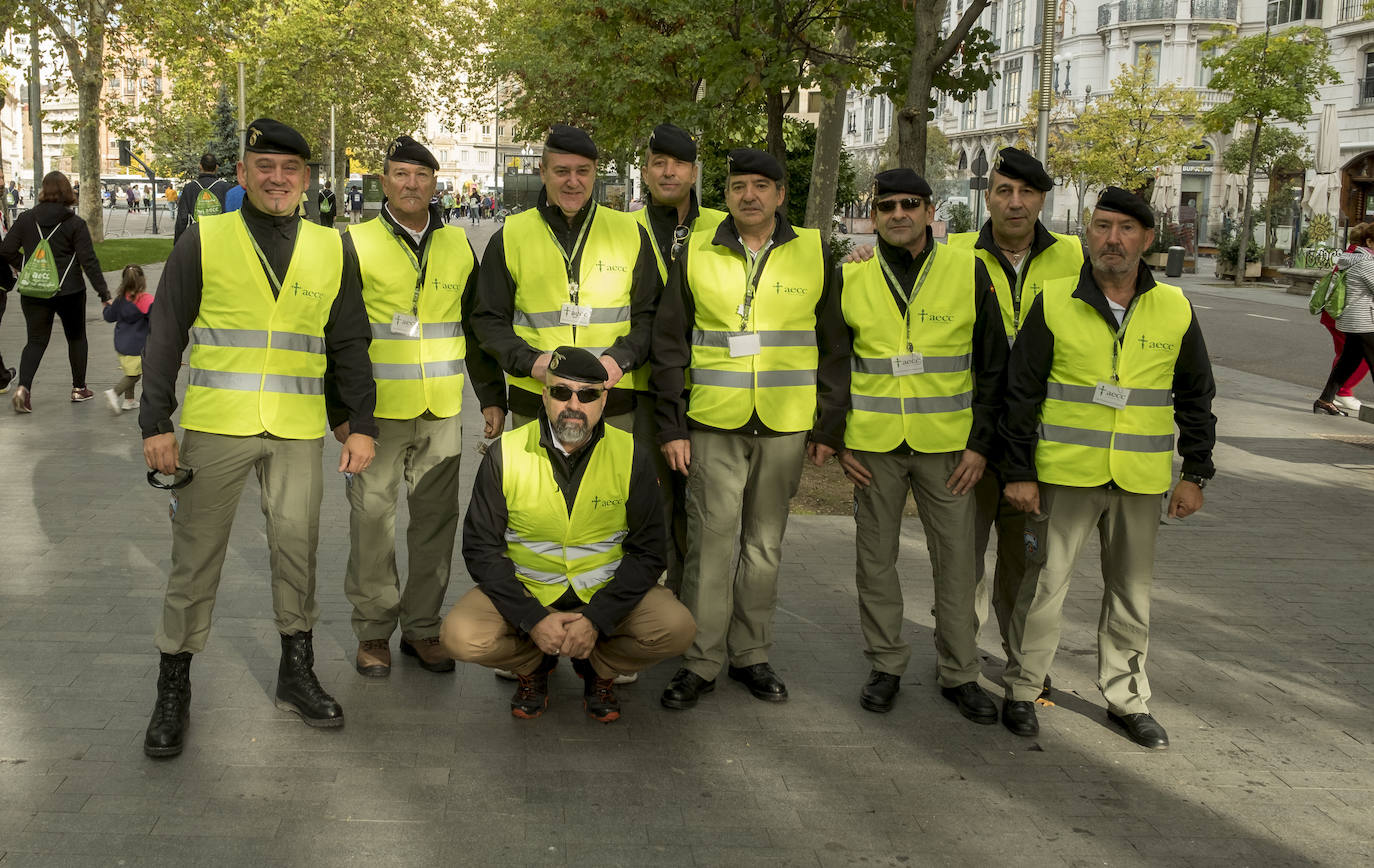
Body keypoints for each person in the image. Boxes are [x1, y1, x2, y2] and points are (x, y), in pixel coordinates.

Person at [138, 118, 378, 758]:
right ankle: (173, 685)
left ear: (307, 180)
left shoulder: (332, 247)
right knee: (195, 558)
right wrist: (155, 423)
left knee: (297, 552)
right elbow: (165, 331)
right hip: (215, 427)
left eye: (290, 169)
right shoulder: (205, 237)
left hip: (298, 430)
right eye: (264, 166)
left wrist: (360, 424)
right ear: (242, 174)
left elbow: (349, 341)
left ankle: (294, 670)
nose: (277, 178)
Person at [998, 187, 1216, 748]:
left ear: (1147, 239)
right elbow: (1020, 395)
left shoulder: (1175, 306)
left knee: (1130, 592)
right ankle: (1023, 690)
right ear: (1086, 235)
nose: (1111, 239)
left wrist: (1195, 472)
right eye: (1100, 226)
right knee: (1043, 587)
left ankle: (1127, 700)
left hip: (1140, 481)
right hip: (1063, 476)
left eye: (1124, 228)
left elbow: (1196, 396)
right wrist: (1018, 472)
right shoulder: (1053, 300)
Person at [652, 148, 846, 709]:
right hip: (713, 422)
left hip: (785, 425)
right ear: (726, 194)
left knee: (764, 546)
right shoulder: (697, 252)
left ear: (781, 195)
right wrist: (672, 427)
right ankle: (700, 660)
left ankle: (752, 655)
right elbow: (669, 345)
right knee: (711, 547)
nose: (750, 196)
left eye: (762, 185)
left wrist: (826, 427)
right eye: (738, 186)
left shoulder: (813, 252)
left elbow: (835, 345)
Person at [831, 169, 1009, 718]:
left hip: (950, 450)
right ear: (875, 216)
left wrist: (981, 444)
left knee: (957, 564)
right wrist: (838, 439)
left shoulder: (968, 269)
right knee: (875, 561)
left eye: (911, 204)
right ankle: (886, 665)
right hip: (874, 448)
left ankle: (960, 673)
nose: (899, 214)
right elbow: (835, 365)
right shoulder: (851, 275)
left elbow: (993, 366)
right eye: (887, 207)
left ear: (931, 211)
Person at [441, 346, 695, 722]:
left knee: (678, 628)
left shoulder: (632, 455)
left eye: (587, 394)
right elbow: (480, 549)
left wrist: (597, 619)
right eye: (561, 392)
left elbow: (648, 553)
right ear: (544, 395)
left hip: (604, 593)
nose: (573, 404)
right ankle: (534, 665)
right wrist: (532, 619)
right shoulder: (506, 453)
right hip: (529, 592)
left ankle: (599, 667)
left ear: (603, 400)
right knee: (458, 636)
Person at [340, 135, 506, 678]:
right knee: (372, 523)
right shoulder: (354, 244)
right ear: (383, 181)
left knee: (434, 525)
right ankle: (373, 632)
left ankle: (422, 628)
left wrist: (491, 398)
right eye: (401, 174)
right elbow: (335, 336)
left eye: (422, 176)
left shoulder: (458, 245)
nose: (412, 184)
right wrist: (341, 413)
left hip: (440, 412)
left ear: (436, 184)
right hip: (376, 416)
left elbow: (475, 331)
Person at [944, 147, 1085, 694]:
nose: (1015, 202)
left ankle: (1025, 665)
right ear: (988, 197)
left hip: (1039, 438)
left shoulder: (1075, 256)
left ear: (1042, 200)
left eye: (1026, 192)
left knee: (1028, 562)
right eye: (1004, 190)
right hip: (970, 435)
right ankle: (957, 658)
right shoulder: (956, 252)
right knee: (963, 561)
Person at [471, 124, 660, 434]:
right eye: (562, 171)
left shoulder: (630, 233)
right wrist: (530, 362)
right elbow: (488, 320)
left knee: (609, 483)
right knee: (533, 484)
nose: (573, 182)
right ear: (543, 172)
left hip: (611, 401)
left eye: (582, 171)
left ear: (595, 172)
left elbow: (651, 316)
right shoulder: (510, 236)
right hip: (535, 400)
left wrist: (621, 359)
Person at [633, 123, 727, 595]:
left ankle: (699, 608)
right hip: (646, 391)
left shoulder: (722, 227)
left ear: (694, 172)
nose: (669, 172)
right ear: (646, 171)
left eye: (679, 164)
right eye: (659, 163)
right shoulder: (626, 229)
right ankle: (657, 605)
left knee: (706, 507)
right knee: (652, 498)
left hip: (713, 390)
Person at [0, 171, 110, 412]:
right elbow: (88, 261)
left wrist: (25, 267)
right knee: (76, 337)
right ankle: (79, 389)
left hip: (34, 291)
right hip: (69, 290)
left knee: (36, 341)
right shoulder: (74, 223)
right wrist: (104, 294)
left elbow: (6, 249)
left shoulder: (26, 219)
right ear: (68, 192)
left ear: (43, 191)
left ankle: (23, 389)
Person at [1314, 227, 1374, 415]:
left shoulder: (1354, 259)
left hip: (1354, 321)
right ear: (1369, 242)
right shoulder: (1367, 263)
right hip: (1365, 321)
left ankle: (1325, 400)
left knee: (1348, 362)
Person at [101, 264, 154, 413]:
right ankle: (115, 393)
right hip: (137, 345)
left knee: (130, 371)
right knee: (134, 375)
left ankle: (129, 401)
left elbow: (109, 317)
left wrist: (106, 306)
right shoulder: (146, 300)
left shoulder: (120, 300)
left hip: (121, 344)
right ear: (143, 280)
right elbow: (155, 320)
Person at [175, 153, 232, 243]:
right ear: (216, 167)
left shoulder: (189, 188)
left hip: (196, 236)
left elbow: (182, 218)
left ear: (200, 166)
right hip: (219, 237)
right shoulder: (225, 188)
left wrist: (177, 243)